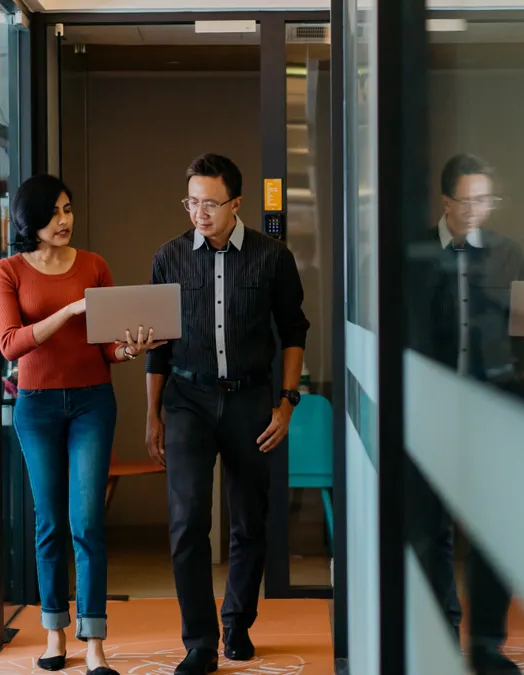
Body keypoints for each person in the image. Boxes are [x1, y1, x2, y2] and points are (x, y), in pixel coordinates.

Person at [144, 153, 309, 675]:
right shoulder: (168, 258)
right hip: (187, 400)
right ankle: (199, 642)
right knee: (187, 518)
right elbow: (157, 348)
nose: (199, 213)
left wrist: (286, 402)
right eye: (192, 202)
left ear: (236, 203)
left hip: (250, 399)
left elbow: (294, 331)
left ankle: (237, 622)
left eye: (210, 204)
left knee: (249, 518)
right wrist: (153, 414)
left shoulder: (272, 257)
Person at [0, 174, 161, 675]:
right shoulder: (8, 271)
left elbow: (107, 345)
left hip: (92, 402)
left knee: (86, 522)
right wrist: (68, 310)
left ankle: (94, 644)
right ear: (30, 220)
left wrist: (129, 349)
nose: (64, 221)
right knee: (48, 523)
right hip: (36, 406)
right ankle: (53, 634)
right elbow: (11, 344)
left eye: (68, 209)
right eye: (53, 213)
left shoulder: (94, 265)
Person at [409, 154, 524, 675]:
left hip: (497, 408)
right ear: (447, 202)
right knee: (431, 527)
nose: (476, 210)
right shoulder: (415, 255)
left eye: (484, 200)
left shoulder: (511, 256)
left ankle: (487, 644)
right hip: (432, 411)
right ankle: (443, 630)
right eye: (467, 201)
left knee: (494, 529)